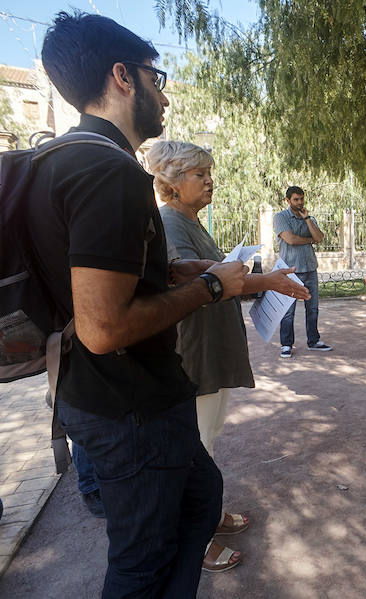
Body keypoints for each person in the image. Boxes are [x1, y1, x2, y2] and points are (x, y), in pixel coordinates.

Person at [27, 12, 250, 596]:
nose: (165, 96)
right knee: (142, 561)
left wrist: (176, 271)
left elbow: (91, 280)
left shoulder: (58, 160)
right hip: (129, 406)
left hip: (92, 392)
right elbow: (103, 327)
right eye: (158, 78)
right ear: (123, 77)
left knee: (199, 498)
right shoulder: (110, 170)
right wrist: (211, 287)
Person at [147, 140, 310, 572]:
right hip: (195, 349)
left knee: (209, 436)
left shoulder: (189, 220)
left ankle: (209, 514)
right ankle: (196, 540)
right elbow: (203, 282)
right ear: (173, 182)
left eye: (209, 173)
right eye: (199, 174)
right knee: (195, 444)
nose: (209, 182)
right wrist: (269, 282)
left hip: (210, 346)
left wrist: (264, 278)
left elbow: (221, 277)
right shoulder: (170, 223)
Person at [274, 186, 332, 356]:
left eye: (301, 199)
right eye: (296, 199)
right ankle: (286, 345)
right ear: (288, 201)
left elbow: (319, 238)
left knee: (312, 308)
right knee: (288, 311)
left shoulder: (309, 218)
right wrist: (309, 240)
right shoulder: (280, 217)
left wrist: (306, 219)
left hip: (310, 269)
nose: (299, 202)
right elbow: (290, 239)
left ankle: (313, 341)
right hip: (290, 271)